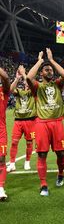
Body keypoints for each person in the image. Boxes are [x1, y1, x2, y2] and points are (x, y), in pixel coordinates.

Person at [26, 49, 64, 196]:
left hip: (57, 122)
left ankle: (61, 174)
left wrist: (51, 60)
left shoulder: (58, 84)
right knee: (42, 155)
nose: (49, 71)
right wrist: (40, 61)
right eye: (46, 69)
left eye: (50, 70)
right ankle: (43, 184)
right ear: (41, 73)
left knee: (61, 153)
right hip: (42, 123)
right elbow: (29, 78)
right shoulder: (37, 87)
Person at [7, 65, 36, 172]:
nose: (26, 82)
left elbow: (30, 81)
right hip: (18, 120)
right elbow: (10, 90)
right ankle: (12, 163)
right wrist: (17, 78)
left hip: (30, 120)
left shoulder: (34, 91)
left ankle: (27, 161)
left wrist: (25, 74)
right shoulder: (19, 91)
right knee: (14, 142)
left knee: (29, 142)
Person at [0, 66, 10, 201]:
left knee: (1, 159)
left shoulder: (4, 91)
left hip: (0, 131)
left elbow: (6, 78)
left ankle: (1, 188)